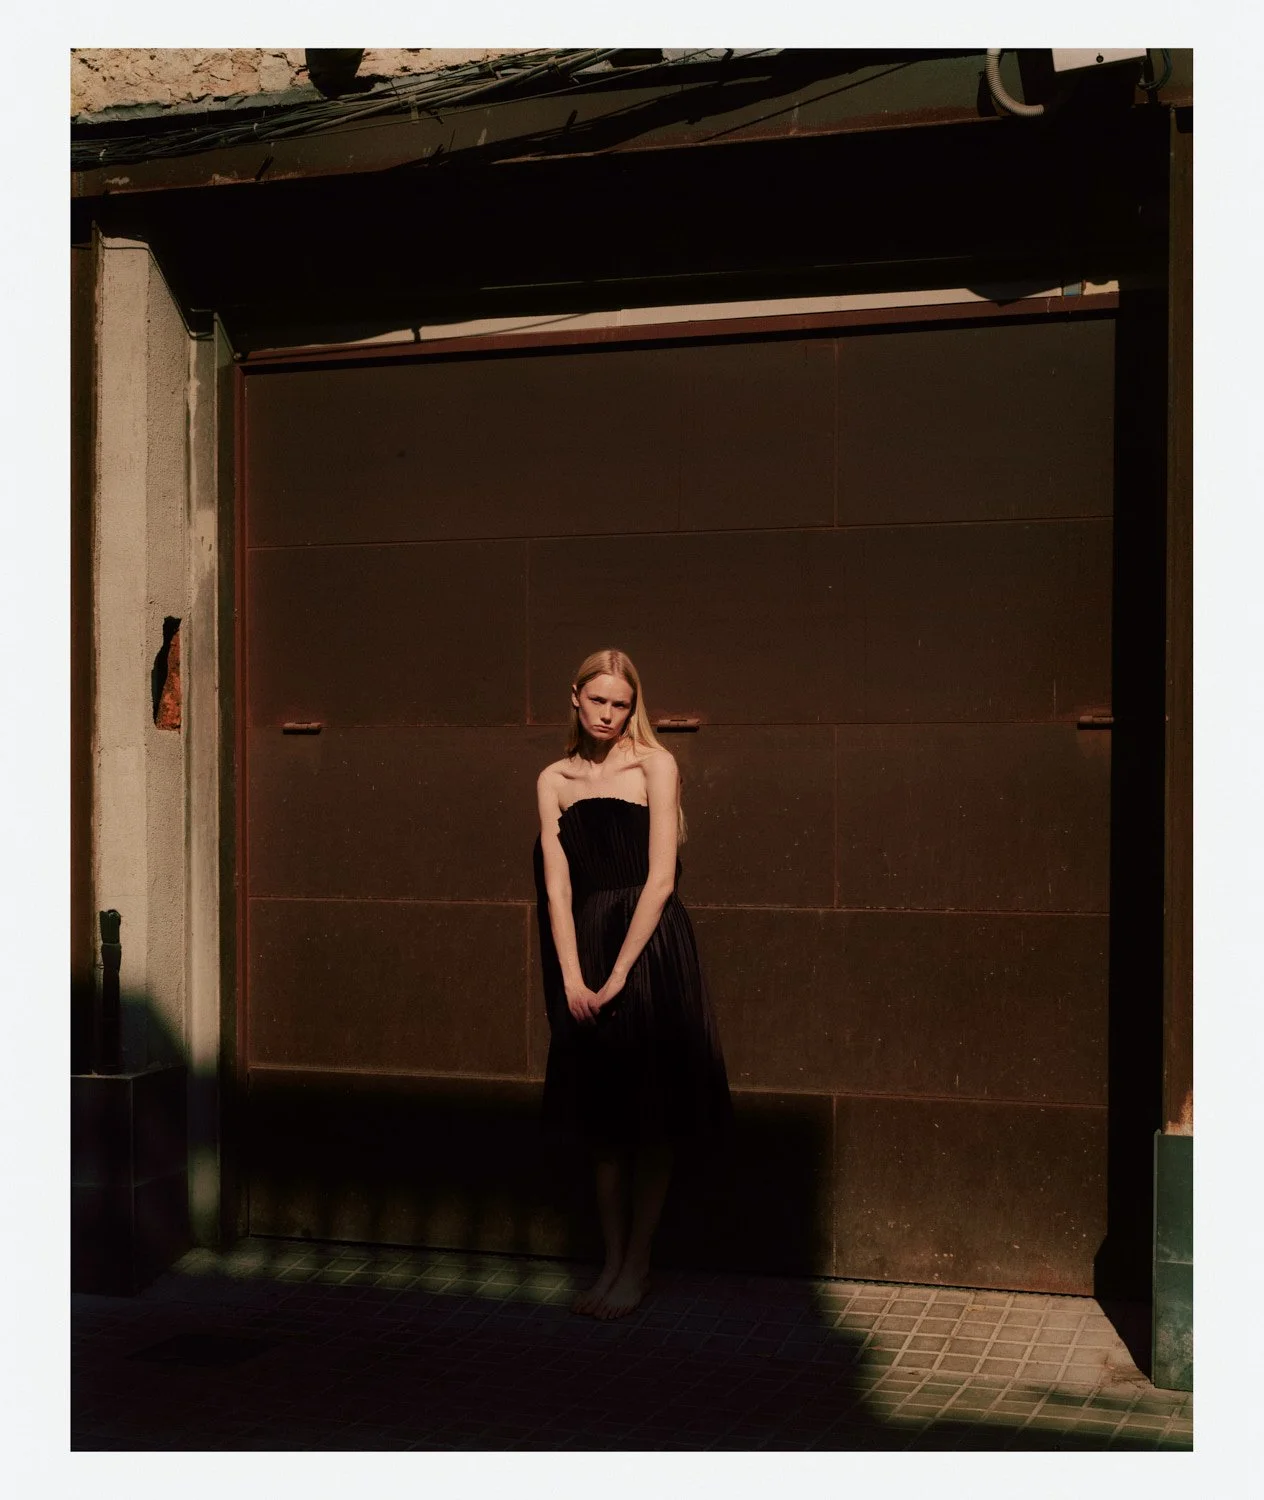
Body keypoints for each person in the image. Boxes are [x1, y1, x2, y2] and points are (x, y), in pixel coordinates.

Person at [533, 648, 733, 1320]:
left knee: (651, 1117)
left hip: (648, 949)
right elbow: (557, 889)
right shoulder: (553, 779)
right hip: (585, 943)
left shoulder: (656, 765)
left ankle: (637, 1266)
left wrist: (618, 972)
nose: (610, 716)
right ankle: (611, 1262)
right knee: (603, 1122)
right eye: (599, 702)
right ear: (576, 698)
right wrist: (570, 975)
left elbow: (662, 879)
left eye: (621, 704)